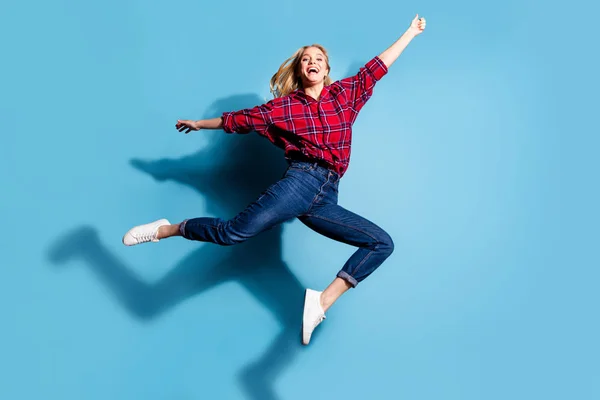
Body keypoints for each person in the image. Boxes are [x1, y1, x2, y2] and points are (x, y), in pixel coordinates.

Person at [123, 15, 427, 345]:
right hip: (299, 182)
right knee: (231, 234)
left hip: (327, 197)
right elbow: (238, 120)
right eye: (306, 59)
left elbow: (377, 68)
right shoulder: (283, 108)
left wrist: (410, 32)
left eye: (319, 59)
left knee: (381, 243)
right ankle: (166, 229)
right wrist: (199, 124)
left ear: (326, 70)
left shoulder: (346, 94)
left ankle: (321, 302)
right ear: (299, 71)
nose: (312, 62)